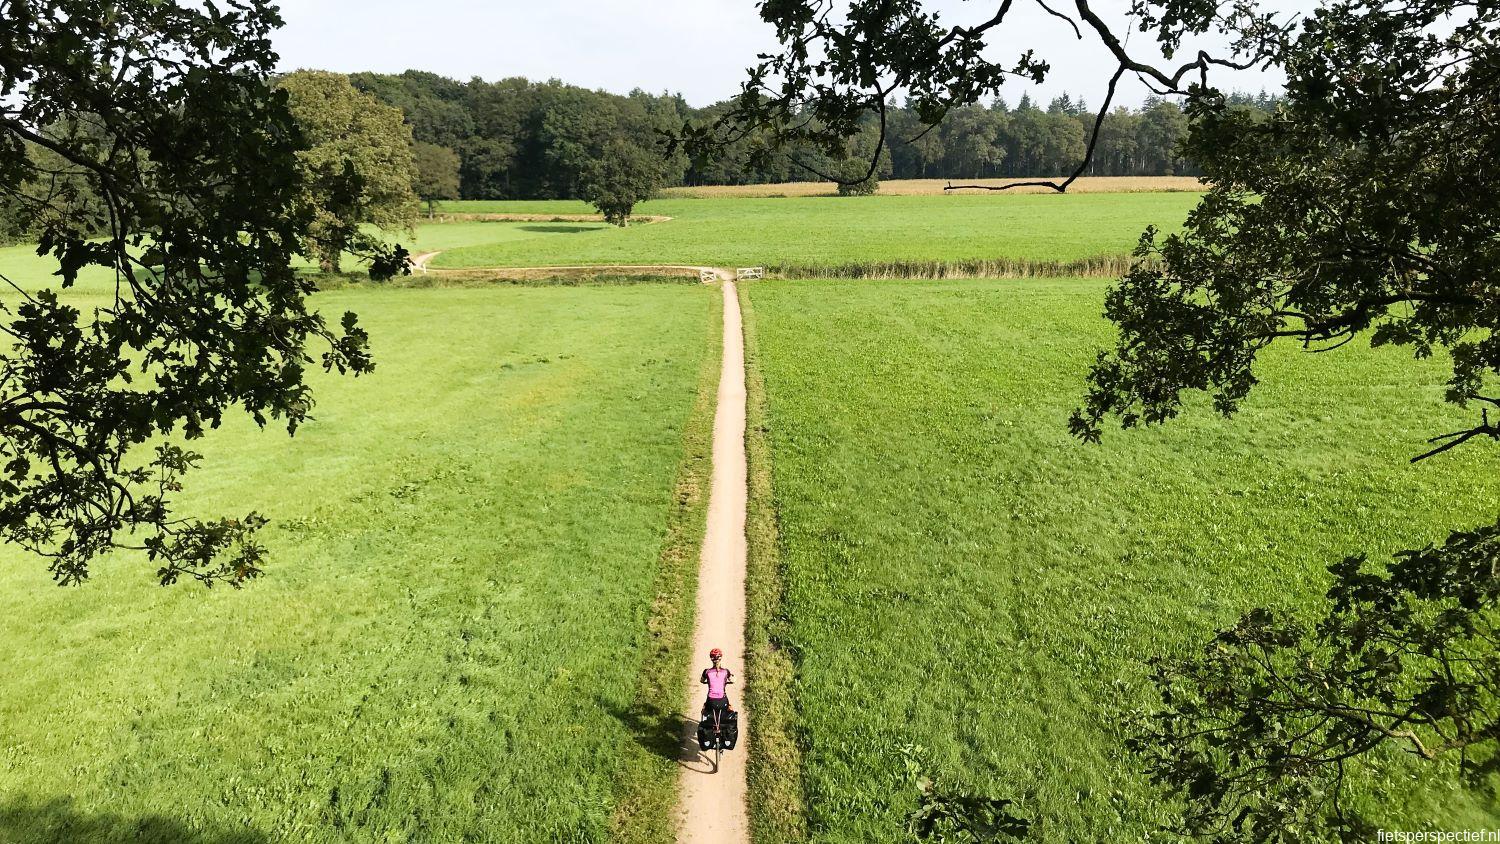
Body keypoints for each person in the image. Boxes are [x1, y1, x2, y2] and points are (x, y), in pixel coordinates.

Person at [700, 647, 733, 718]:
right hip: (723, 701)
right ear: (721, 658)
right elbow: (733, 680)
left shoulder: (706, 671)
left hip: (710, 701)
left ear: (711, 659)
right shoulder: (726, 671)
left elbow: (702, 680)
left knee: (705, 707)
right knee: (729, 707)